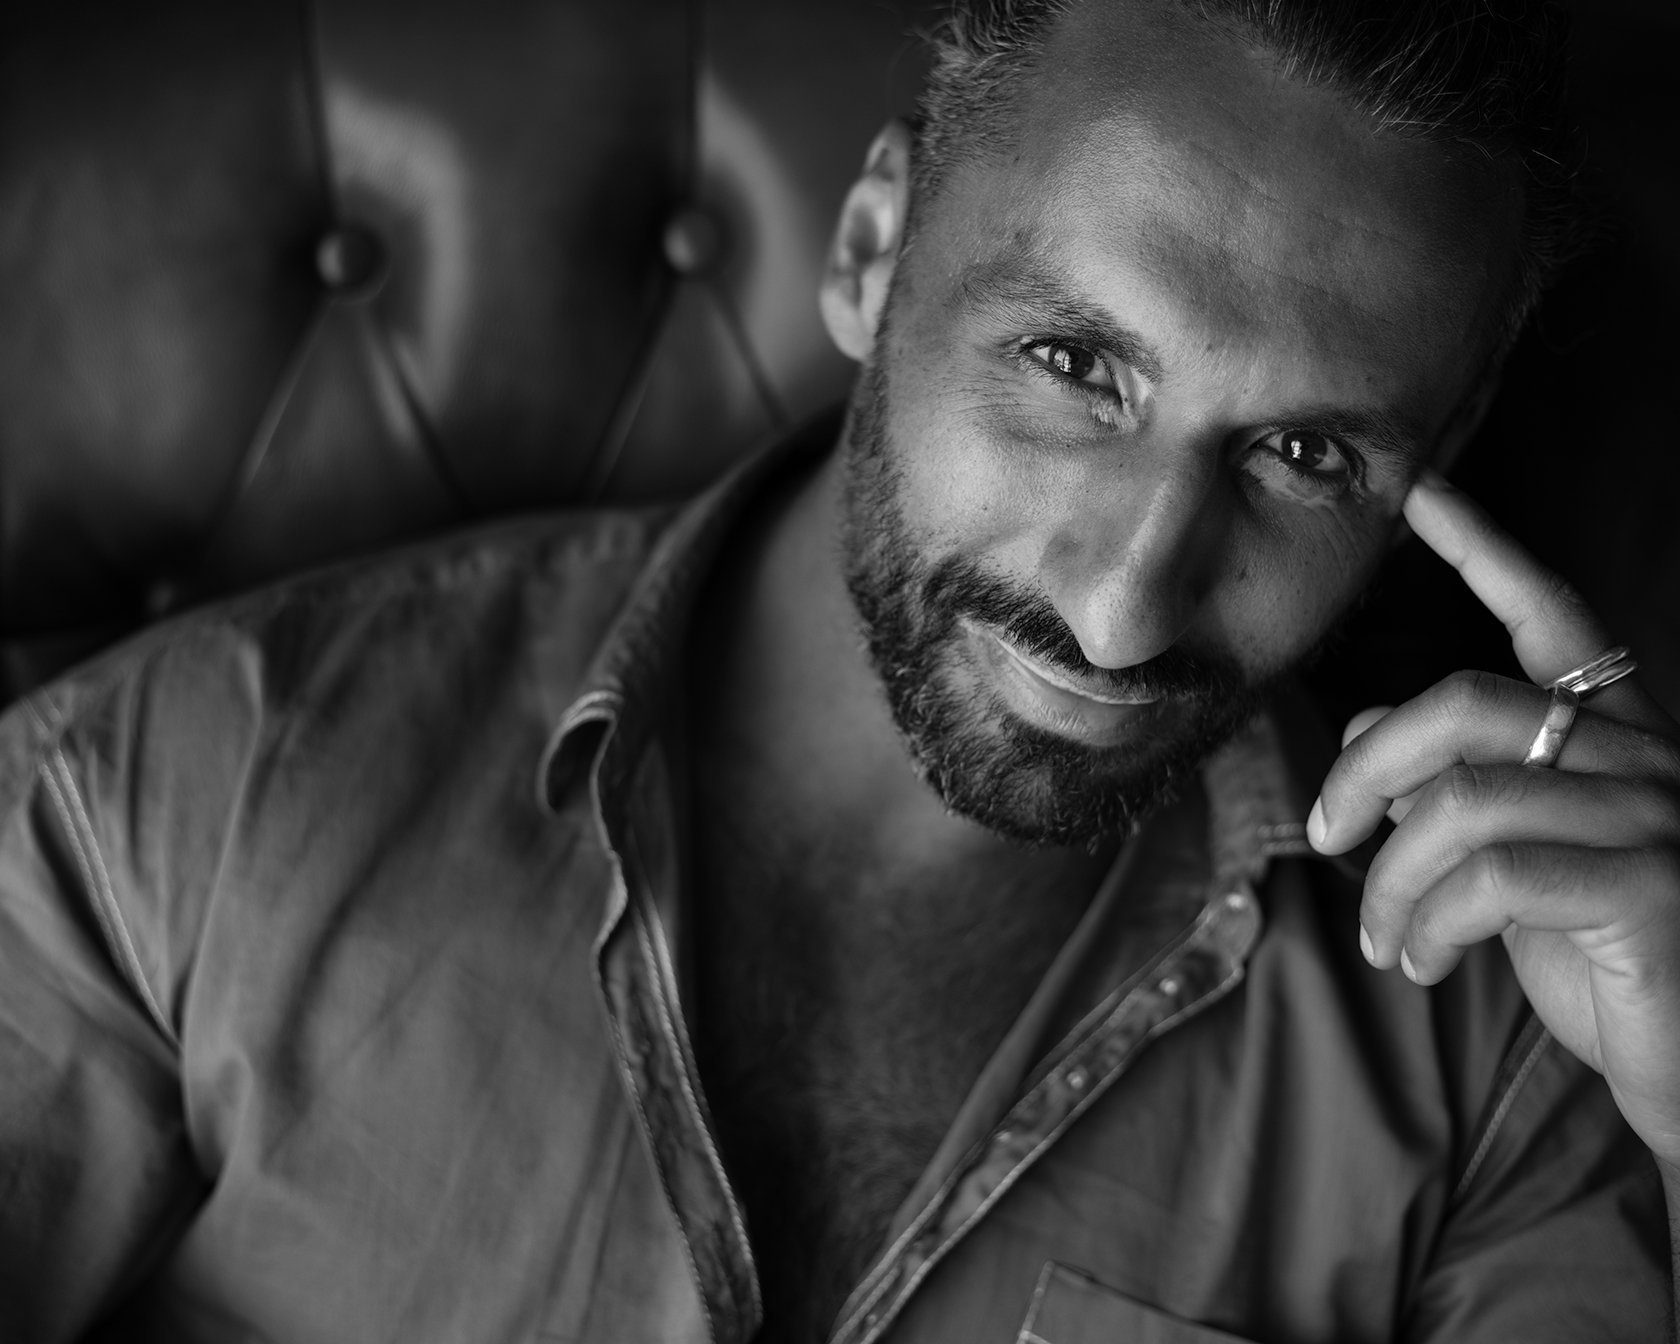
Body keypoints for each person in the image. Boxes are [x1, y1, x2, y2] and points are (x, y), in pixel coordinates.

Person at [3, 0, 1677, 1340]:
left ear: (1435, 464)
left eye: (1308, 454)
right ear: (874, 248)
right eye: (1074, 363)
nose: (1124, 613)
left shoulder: (1518, 1053)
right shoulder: (155, 800)